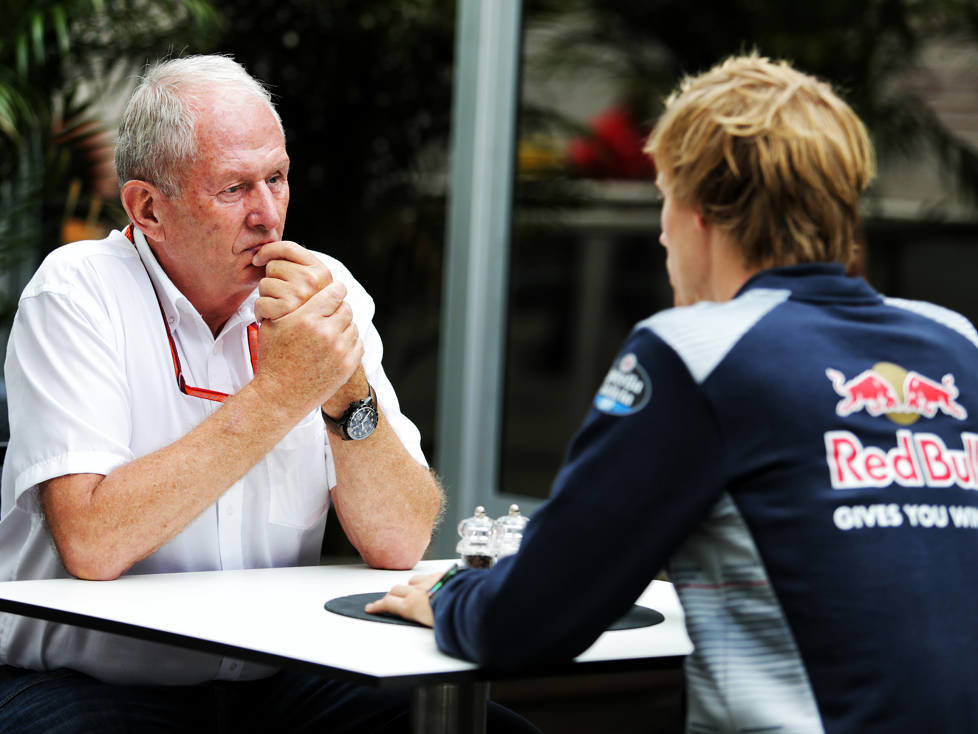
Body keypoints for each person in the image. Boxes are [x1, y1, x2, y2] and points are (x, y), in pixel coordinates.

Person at [369, 54, 978, 732]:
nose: (660, 232)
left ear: (698, 215)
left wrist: (452, 591)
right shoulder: (958, 344)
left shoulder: (698, 351)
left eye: (665, 197)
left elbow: (527, 620)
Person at [0, 54, 455, 732]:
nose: (268, 215)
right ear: (148, 208)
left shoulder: (325, 293)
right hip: (86, 684)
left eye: (277, 178)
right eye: (235, 188)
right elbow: (92, 543)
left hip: (277, 678)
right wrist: (280, 392)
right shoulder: (77, 292)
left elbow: (401, 541)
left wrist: (343, 384)